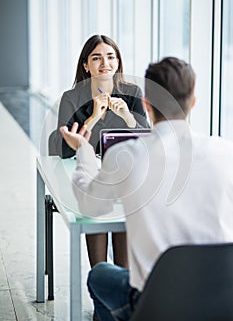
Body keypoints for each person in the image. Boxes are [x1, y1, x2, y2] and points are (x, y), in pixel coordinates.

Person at [60, 56, 233, 320]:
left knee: (100, 274)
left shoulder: (126, 156)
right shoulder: (225, 152)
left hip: (157, 305)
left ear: (146, 104)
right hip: (223, 300)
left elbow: (90, 205)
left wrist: (84, 151)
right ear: (194, 102)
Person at [50, 35, 150, 274]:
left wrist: (128, 118)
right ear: (86, 65)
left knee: (128, 207)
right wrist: (92, 118)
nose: (105, 62)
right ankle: (101, 287)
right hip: (86, 175)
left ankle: (121, 284)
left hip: (124, 176)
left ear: (118, 62)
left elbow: (148, 143)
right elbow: (60, 149)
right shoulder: (72, 98)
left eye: (110, 56)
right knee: (95, 207)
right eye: (97, 58)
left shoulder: (132, 92)